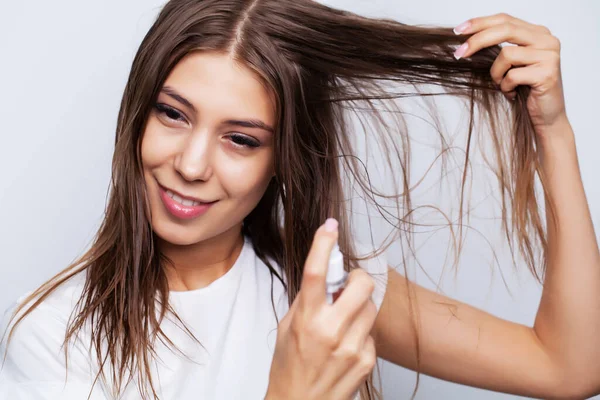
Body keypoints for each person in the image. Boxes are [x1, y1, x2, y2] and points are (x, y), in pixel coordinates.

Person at [1, 1, 598, 399]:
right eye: (173, 114)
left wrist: (553, 133)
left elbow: (568, 366)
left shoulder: (325, 294)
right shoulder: (50, 335)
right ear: (138, 114)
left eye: (240, 139)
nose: (189, 165)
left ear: (282, 157)